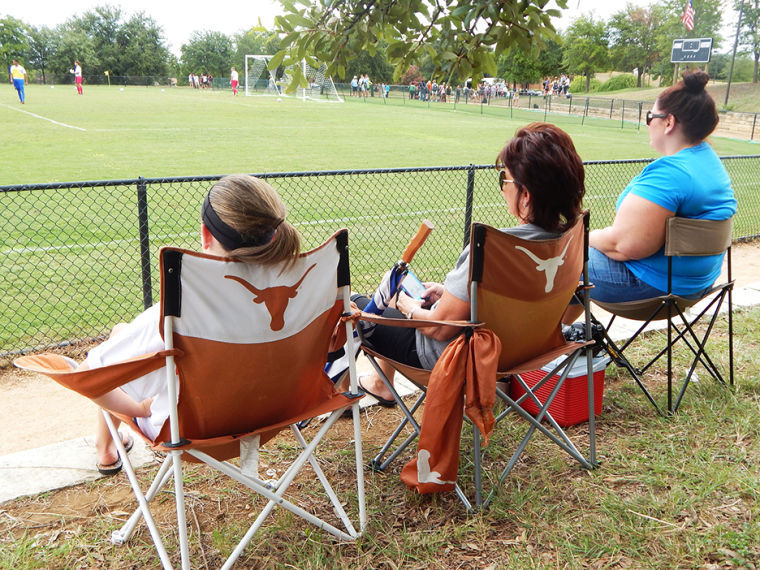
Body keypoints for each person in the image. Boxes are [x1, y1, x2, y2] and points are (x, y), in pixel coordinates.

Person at [79, 175, 302, 474]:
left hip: (189, 431)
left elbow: (89, 375)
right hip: (271, 415)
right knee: (132, 336)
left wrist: (137, 409)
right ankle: (106, 446)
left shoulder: (176, 315)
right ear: (274, 235)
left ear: (205, 234)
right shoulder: (304, 296)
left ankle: (105, 449)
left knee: (122, 333)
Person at [354, 123, 586, 404]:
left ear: (525, 196)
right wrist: (454, 296)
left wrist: (411, 308)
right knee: (403, 294)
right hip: (527, 352)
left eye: (506, 180)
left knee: (359, 305)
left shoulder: (492, 248)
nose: (503, 189)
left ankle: (355, 389)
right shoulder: (571, 242)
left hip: (455, 358)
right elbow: (563, 304)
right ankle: (381, 382)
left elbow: (439, 329)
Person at [580, 70, 736, 308]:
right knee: (566, 262)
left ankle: (552, 341)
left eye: (650, 116)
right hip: (697, 285)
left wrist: (582, 238)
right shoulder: (709, 162)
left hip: (655, 288)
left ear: (669, 122)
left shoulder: (671, 173)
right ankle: (566, 337)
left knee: (552, 262)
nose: (648, 123)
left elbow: (625, 246)